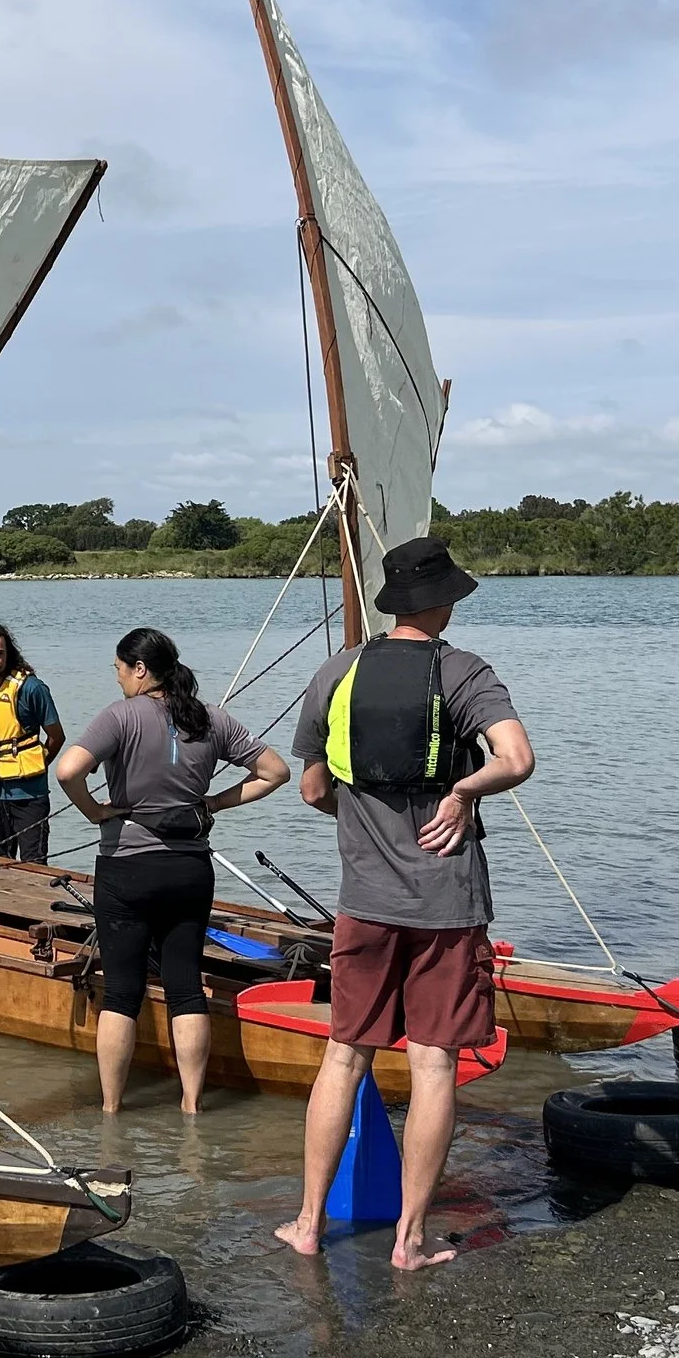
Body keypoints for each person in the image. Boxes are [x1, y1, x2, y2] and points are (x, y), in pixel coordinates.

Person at [275, 535, 535, 1272]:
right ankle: (411, 1241)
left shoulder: (336, 672)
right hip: (447, 906)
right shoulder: (464, 672)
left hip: (364, 901)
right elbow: (516, 759)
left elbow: (314, 788)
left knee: (344, 1055)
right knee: (433, 1066)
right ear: (444, 601)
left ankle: (305, 1223)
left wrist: (364, 830)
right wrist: (462, 789)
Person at [53, 629, 290, 1113]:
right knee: (185, 985)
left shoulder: (120, 716)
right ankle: (191, 1104)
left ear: (140, 669)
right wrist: (215, 802)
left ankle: (112, 1108)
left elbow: (66, 771)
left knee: (122, 992)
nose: (118, 679)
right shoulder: (210, 718)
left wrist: (94, 811)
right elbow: (276, 771)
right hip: (189, 869)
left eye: (119, 670)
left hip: (127, 869)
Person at [0, 621, 64, 863]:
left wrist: (37, 764)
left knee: (35, 865)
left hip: (29, 794)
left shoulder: (32, 689)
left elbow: (57, 736)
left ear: (9, 654)